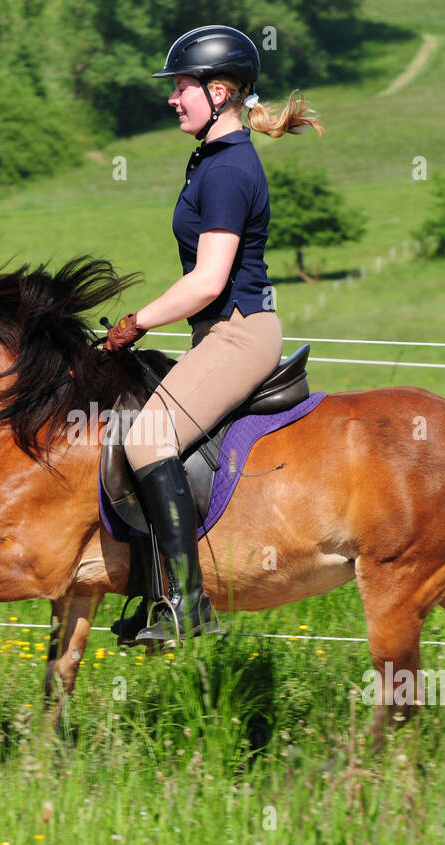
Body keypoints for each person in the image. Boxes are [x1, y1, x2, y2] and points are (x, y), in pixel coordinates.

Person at [102, 24, 324, 643]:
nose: (173, 98)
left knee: (147, 440)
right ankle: (152, 590)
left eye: (182, 87)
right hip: (217, 335)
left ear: (220, 92)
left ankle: (189, 603)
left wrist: (135, 322)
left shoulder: (227, 170)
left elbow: (207, 282)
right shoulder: (212, 159)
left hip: (237, 333)